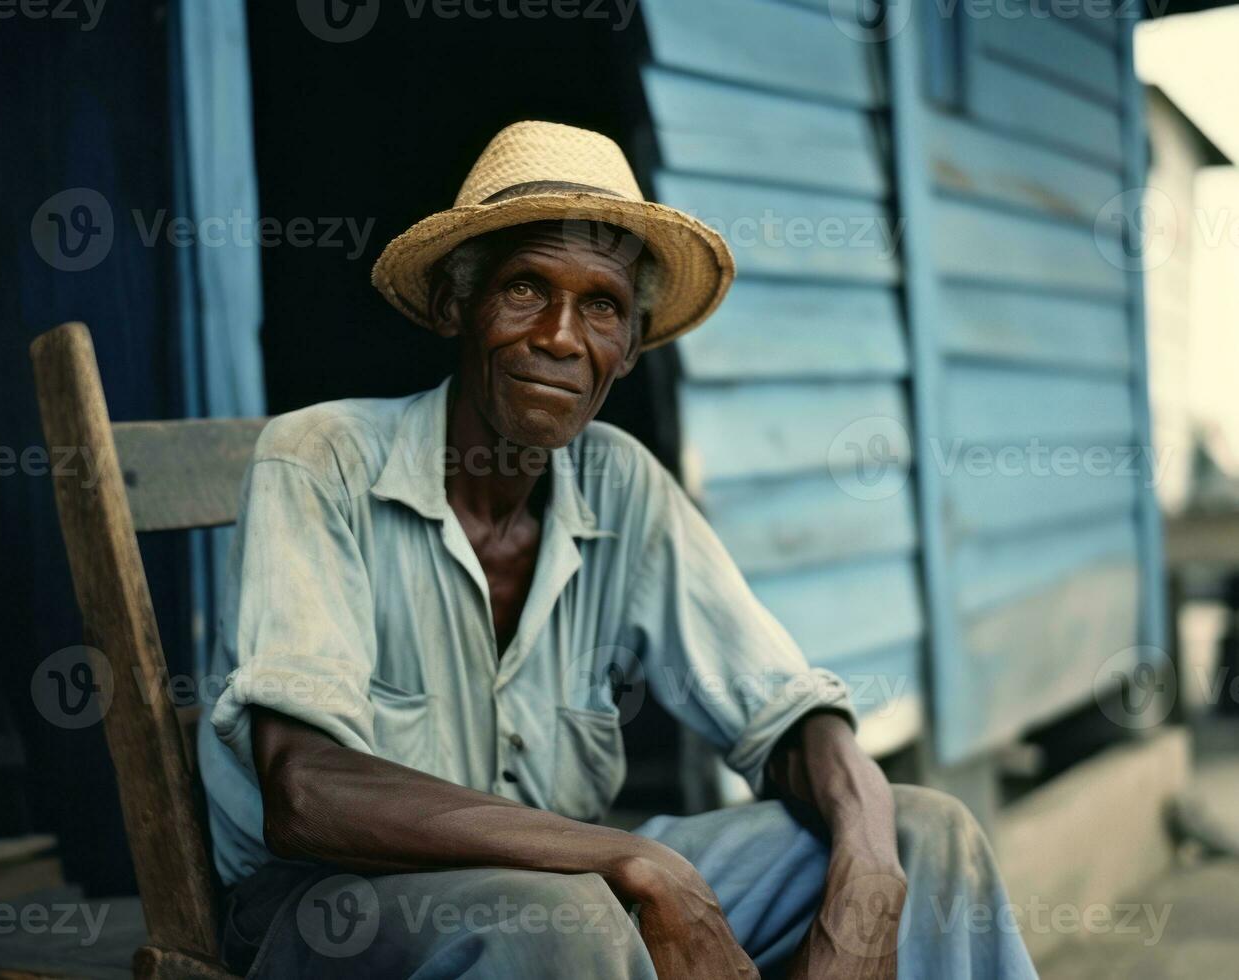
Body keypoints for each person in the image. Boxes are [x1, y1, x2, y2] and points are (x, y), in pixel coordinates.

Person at [198, 120, 1038, 979]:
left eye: (599, 305)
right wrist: (631, 861)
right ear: (457, 305)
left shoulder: (620, 484)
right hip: (332, 911)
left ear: (627, 349)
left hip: (573, 885)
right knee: (568, 919)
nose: (561, 336)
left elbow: (789, 715)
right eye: (524, 289)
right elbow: (306, 793)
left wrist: (869, 867)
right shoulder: (322, 459)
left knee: (923, 834)